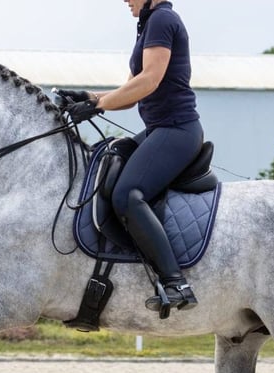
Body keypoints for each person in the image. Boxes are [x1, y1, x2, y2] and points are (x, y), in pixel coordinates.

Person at [58, 0, 202, 314]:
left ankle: (176, 282)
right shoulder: (149, 24)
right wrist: (91, 97)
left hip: (177, 130)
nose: (124, 0)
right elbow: (132, 89)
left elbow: (148, 81)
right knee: (111, 159)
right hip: (159, 129)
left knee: (128, 195)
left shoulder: (163, 20)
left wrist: (99, 105)